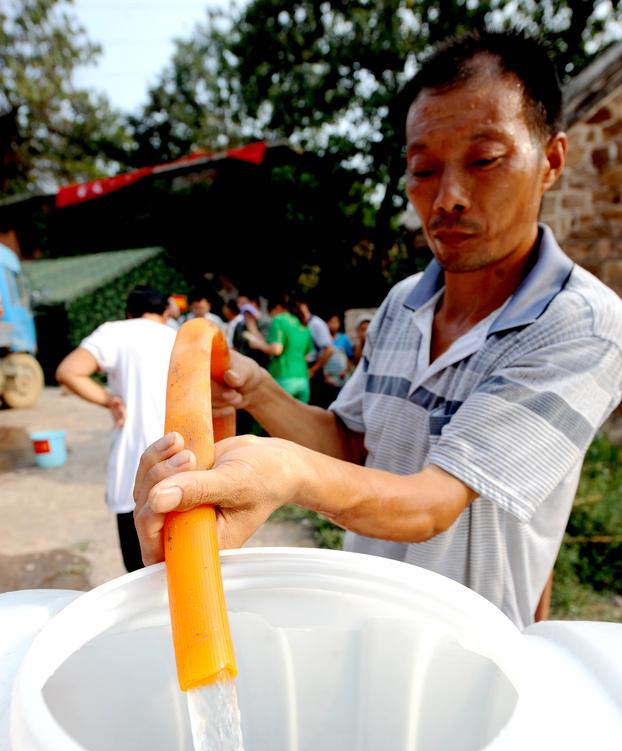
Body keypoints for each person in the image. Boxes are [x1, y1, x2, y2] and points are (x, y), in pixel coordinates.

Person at [133, 30, 622, 630]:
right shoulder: (400, 305)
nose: (449, 198)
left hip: (469, 647)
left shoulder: (580, 323)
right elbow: (350, 445)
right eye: (423, 169)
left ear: (551, 160)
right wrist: (256, 388)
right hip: (360, 622)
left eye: (484, 160)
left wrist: (288, 472)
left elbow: (433, 504)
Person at [56, 285, 176, 572]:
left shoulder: (115, 332)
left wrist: (109, 400)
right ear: (165, 313)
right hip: (179, 462)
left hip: (133, 472)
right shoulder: (178, 336)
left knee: (139, 573)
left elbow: (68, 371)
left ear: (129, 313)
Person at [244, 295, 314, 402]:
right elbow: (307, 356)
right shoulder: (303, 323)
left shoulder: (279, 320)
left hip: (283, 377)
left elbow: (276, 350)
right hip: (303, 379)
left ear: (277, 308)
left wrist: (257, 345)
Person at [297, 299, 334, 407]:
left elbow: (329, 349)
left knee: (316, 404)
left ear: (304, 306)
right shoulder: (299, 323)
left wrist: (314, 369)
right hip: (303, 368)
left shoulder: (316, 323)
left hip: (314, 368)